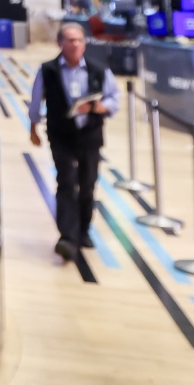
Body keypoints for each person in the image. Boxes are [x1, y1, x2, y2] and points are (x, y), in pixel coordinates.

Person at [29, 22, 119, 261]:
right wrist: (33, 127)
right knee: (66, 182)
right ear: (60, 43)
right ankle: (67, 236)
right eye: (71, 40)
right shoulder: (47, 71)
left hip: (90, 135)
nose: (76, 44)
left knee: (88, 184)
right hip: (61, 135)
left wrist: (102, 107)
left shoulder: (98, 70)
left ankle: (84, 230)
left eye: (79, 40)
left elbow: (113, 97)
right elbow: (36, 100)